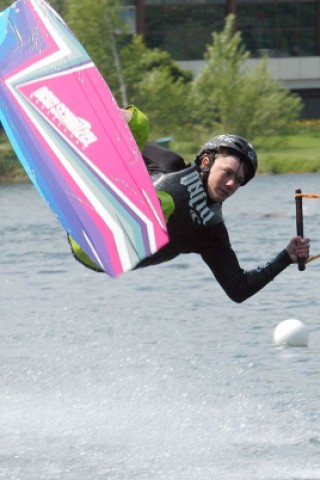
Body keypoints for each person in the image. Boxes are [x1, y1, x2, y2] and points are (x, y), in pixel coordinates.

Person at [68, 105, 310, 303]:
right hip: (94, 214)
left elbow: (239, 288)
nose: (230, 184)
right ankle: (72, 111)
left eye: (238, 181)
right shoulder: (169, 165)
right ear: (206, 161)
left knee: (165, 202)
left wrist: (286, 257)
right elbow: (125, 140)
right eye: (227, 173)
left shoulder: (210, 232)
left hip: (100, 254)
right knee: (139, 123)